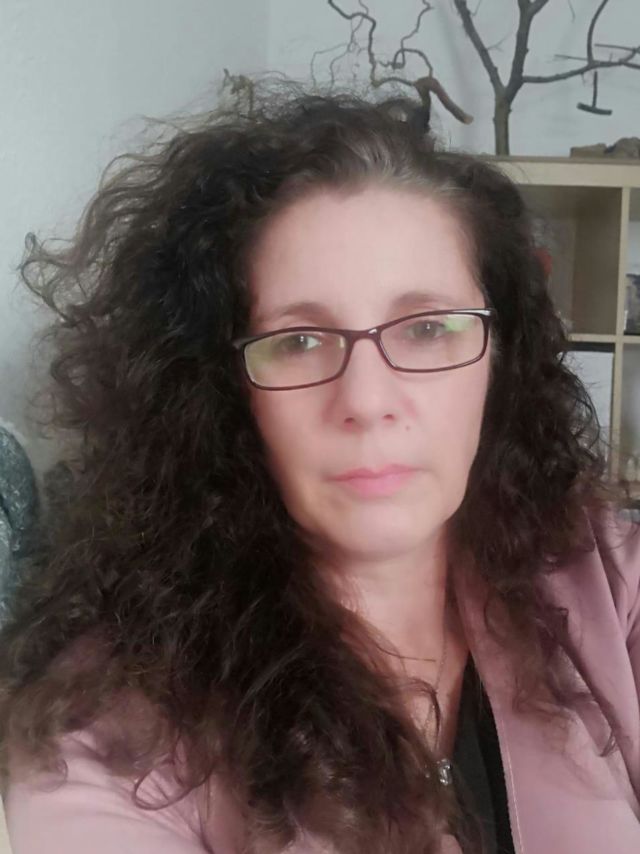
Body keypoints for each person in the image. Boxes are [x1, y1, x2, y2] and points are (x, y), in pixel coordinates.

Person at [0, 84, 638, 854]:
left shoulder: (607, 578)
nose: (367, 401)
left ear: (497, 360)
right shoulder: (108, 736)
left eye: (428, 328)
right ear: (225, 392)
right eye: (298, 341)